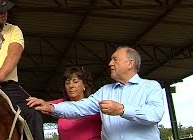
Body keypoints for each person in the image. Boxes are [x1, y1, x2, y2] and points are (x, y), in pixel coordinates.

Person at [27, 46, 165, 140]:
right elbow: (81, 106)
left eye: (115, 59)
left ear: (130, 63)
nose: (110, 63)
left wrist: (122, 109)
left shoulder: (150, 87)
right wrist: (52, 107)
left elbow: (155, 113)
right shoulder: (105, 91)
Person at [0, 0, 45, 140]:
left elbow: (13, 55)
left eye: (5, 11)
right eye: (0, 11)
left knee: (33, 114)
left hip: (6, 85)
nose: (4, 15)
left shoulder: (14, 30)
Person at [28, 66, 101, 140]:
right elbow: (43, 106)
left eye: (75, 82)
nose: (71, 86)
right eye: (67, 83)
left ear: (84, 85)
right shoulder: (61, 104)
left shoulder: (93, 103)